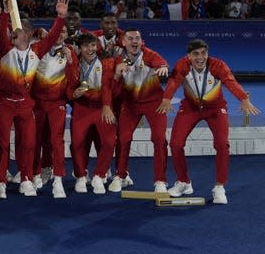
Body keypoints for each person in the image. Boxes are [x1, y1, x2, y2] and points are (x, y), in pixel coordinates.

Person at [157, 39, 260, 204]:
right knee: (175, 144)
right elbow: (173, 82)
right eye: (195, 54)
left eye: (203, 53)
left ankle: (219, 186)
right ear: (188, 56)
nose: (200, 57)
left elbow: (230, 82)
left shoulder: (218, 65)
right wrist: (167, 98)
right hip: (190, 108)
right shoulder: (182, 64)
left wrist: (243, 98)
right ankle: (184, 182)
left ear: (207, 53)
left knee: (222, 144)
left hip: (215, 109)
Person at [0, 0, 67, 199]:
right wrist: (5, 15)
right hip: (5, 103)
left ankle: (26, 179)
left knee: (29, 143)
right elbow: (0, 32)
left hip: (25, 104)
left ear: (29, 33)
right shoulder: (5, 49)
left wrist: (60, 17)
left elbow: (52, 37)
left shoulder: (37, 50)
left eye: (22, 31)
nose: (17, 34)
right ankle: (0, 182)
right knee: (3, 143)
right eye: (15, 31)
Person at [109, 28, 169, 193]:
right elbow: (113, 89)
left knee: (159, 139)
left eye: (137, 38)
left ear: (141, 41)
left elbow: (161, 62)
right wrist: (116, 75)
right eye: (130, 38)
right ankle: (121, 175)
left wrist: (163, 67)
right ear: (123, 42)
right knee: (123, 139)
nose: (135, 41)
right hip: (130, 104)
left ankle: (160, 181)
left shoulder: (149, 54)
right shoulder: (118, 60)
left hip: (154, 103)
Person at [65, 33, 117, 194]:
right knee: (77, 144)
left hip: (103, 107)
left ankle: (99, 176)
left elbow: (108, 87)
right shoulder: (74, 64)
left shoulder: (107, 62)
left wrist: (107, 106)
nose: (91, 49)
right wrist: (74, 94)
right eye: (87, 46)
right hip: (82, 108)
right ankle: (81, 176)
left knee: (109, 143)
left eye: (93, 45)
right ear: (80, 48)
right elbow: (69, 89)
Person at [31, 24, 73, 199]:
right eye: (57, 31)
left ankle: (58, 180)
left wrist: (70, 62)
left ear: (67, 35)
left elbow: (74, 77)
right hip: (37, 102)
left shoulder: (70, 51)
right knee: (35, 139)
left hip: (57, 103)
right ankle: (34, 174)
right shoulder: (38, 47)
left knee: (57, 141)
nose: (60, 35)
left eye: (63, 32)